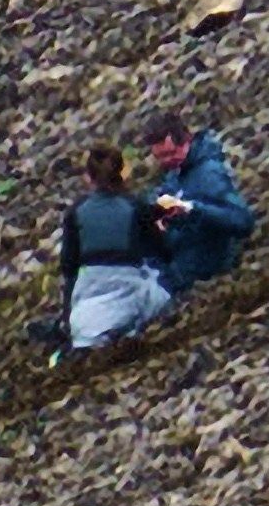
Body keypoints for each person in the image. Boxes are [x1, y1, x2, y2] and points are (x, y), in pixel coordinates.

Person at [57, 143, 173, 352]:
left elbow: (68, 267)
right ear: (122, 172)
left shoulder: (76, 211)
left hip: (88, 294)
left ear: (88, 177)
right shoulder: (135, 206)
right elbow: (161, 251)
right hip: (129, 285)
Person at [137, 117, 257, 295]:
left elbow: (243, 221)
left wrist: (191, 209)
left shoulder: (210, 172)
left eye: (171, 153)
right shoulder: (176, 172)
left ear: (187, 141)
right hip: (172, 263)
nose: (166, 161)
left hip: (202, 267)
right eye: (160, 157)